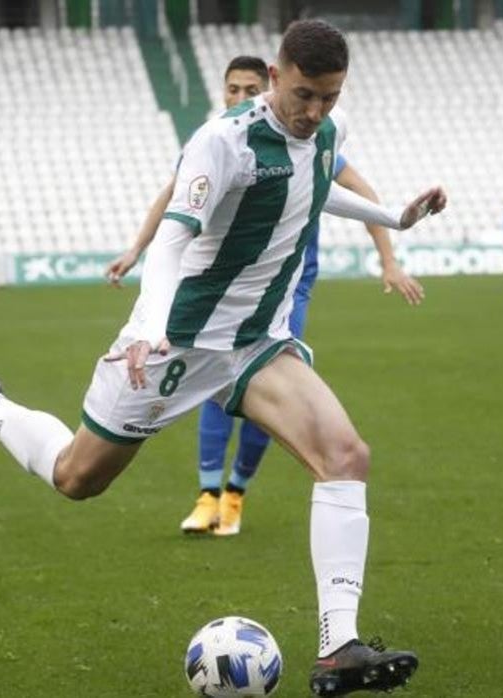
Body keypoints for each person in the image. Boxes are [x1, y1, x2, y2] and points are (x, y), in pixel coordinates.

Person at [0, 19, 445, 696]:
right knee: (77, 477)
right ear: (277, 74)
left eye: (329, 97)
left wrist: (395, 221)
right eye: (305, 95)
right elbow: (174, 239)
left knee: (346, 456)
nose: (315, 111)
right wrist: (150, 326)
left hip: (256, 346)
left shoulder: (327, 131)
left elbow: (315, 187)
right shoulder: (222, 143)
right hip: (178, 341)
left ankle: (337, 648)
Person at [107, 56, 423, 538]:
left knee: (276, 404)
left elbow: (349, 189)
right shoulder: (219, 142)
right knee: (211, 400)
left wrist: (390, 248)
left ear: (269, 85)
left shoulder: (312, 132)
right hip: (219, 296)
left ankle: (235, 493)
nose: (239, 98)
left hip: (285, 293)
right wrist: (136, 250)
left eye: (248, 88)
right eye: (231, 89)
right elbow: (173, 204)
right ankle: (208, 493)